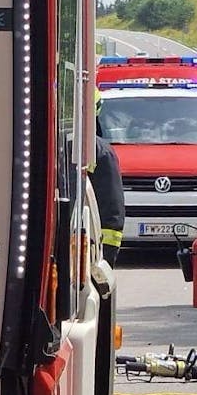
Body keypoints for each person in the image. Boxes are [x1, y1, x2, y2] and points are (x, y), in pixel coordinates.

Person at [86, 90, 125, 265]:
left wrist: (105, 258)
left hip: (86, 245)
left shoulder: (98, 151)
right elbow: (112, 208)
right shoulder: (101, 151)